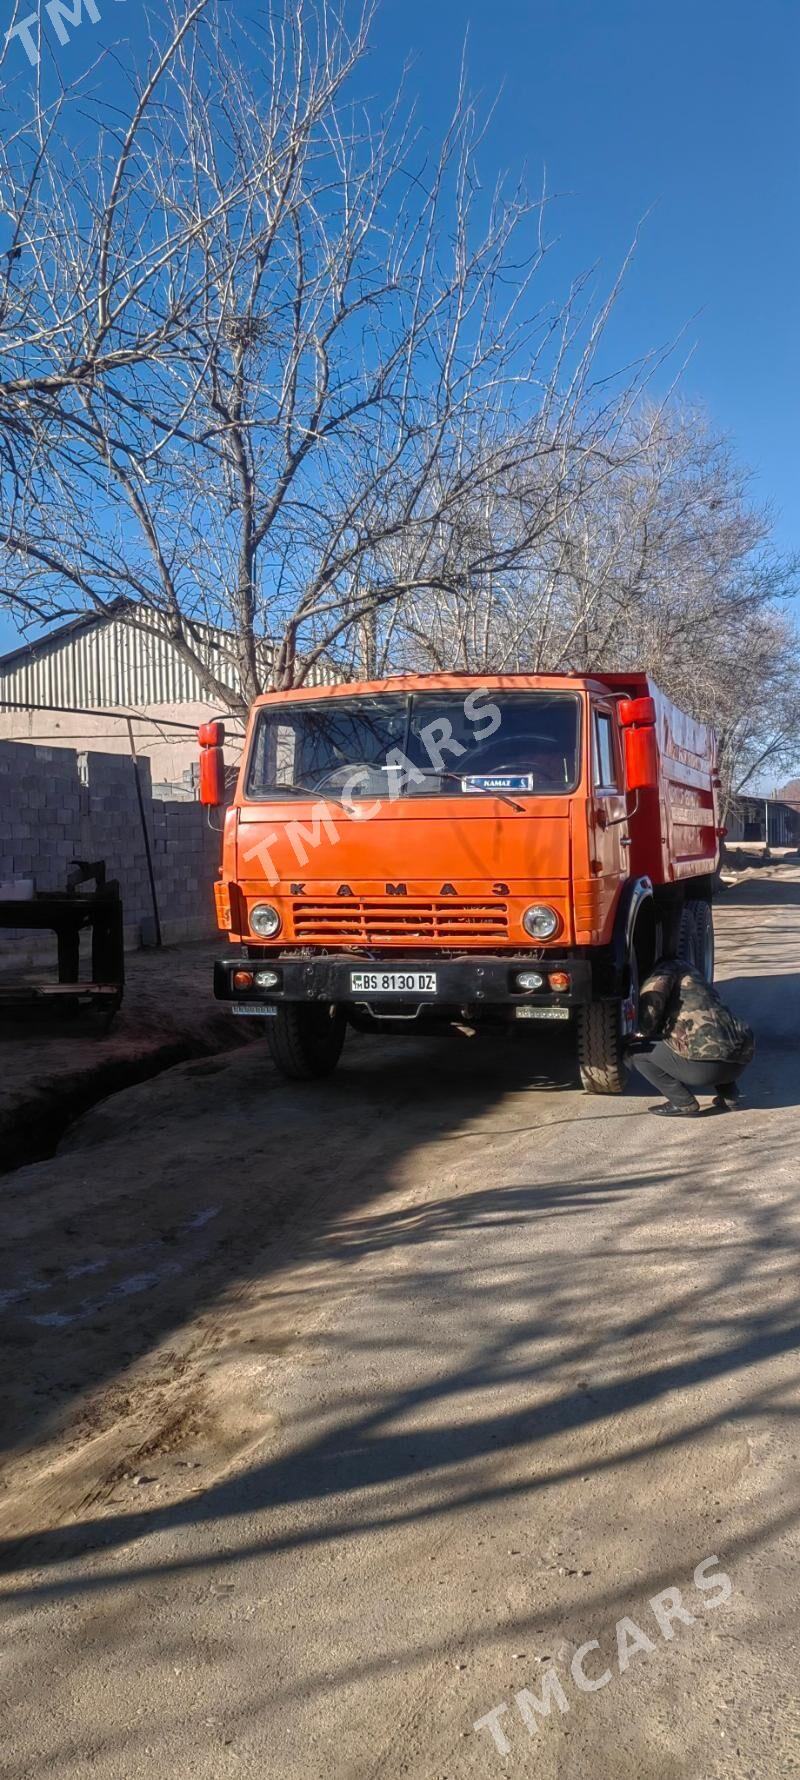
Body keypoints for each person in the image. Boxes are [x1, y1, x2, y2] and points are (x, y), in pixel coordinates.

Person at [628, 956, 755, 1118]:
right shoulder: (697, 979)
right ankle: (730, 1097)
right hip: (737, 1063)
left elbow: (653, 1002)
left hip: (702, 1070)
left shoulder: (662, 973)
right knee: (716, 1038)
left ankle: (683, 1102)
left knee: (637, 1052)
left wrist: (642, 1032)